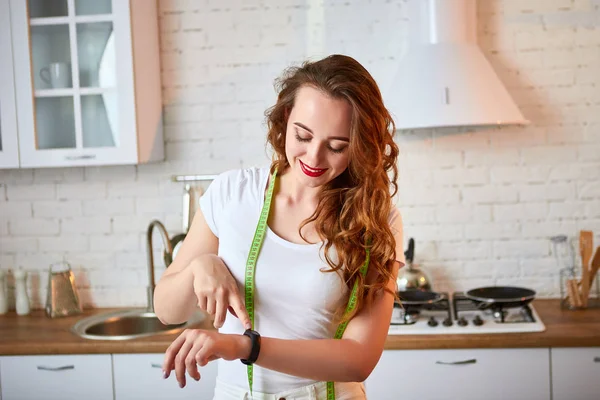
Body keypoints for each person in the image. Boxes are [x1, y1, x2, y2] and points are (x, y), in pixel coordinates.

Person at [153, 54, 405, 400]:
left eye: (336, 146)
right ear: (286, 118)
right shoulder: (232, 194)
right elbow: (168, 311)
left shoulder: (374, 217)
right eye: (303, 136)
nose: (314, 158)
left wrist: (244, 347)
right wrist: (200, 266)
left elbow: (358, 359)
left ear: (359, 145)